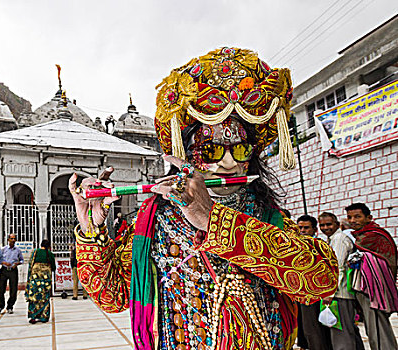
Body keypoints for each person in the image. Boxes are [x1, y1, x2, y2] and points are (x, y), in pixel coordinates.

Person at [69, 47, 339, 350]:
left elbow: (322, 280)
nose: (228, 164)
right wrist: (91, 232)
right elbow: (112, 297)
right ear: (187, 156)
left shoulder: (267, 216)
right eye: (211, 150)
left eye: (239, 150)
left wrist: (212, 220)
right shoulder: (156, 217)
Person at [346, 203, 398, 350]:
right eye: (349, 217)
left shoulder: (373, 236)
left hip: (374, 289)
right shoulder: (361, 235)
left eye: (357, 216)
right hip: (368, 288)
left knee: (377, 327)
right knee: (374, 327)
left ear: (368, 218)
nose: (352, 220)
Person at [318, 212, 364, 350]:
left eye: (329, 224)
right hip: (339, 293)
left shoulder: (339, 239)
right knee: (347, 330)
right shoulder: (333, 238)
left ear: (337, 224)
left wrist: (329, 293)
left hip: (339, 294)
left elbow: (337, 268)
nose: (325, 227)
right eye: (322, 225)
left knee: (341, 334)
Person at [296, 215, 332, 350]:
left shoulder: (319, 246)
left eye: (306, 228)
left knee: (315, 327)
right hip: (301, 292)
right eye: (300, 228)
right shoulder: (296, 245)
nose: (303, 230)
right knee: (307, 327)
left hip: (316, 292)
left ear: (314, 229)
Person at [25, 239, 55, 324]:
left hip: (35, 279)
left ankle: (33, 316)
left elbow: (30, 264)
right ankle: (44, 316)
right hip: (45, 280)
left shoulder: (35, 252)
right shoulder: (49, 254)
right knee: (45, 297)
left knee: (34, 296)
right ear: (49, 246)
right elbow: (53, 267)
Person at [0, 234, 24, 315]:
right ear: (8, 239)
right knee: (1, 288)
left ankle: (10, 306)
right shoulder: (3, 249)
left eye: (14, 239)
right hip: (4, 270)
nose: (13, 240)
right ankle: (0, 306)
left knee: (13, 289)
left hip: (13, 270)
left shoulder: (18, 250)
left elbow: (22, 260)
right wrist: (3, 262)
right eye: (11, 238)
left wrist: (17, 263)